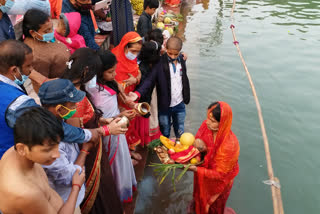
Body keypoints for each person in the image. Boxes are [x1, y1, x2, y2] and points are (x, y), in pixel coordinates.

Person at [0, 40, 101, 159]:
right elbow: (48, 126)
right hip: (9, 156)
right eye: (28, 66)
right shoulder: (17, 102)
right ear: (14, 70)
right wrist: (89, 134)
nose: (31, 70)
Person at [62, 48, 124, 214]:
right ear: (86, 72)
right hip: (86, 151)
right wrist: (106, 129)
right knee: (100, 191)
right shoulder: (75, 97)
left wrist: (102, 121)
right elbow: (77, 134)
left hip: (93, 144)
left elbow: (85, 120)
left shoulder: (72, 87)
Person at [0, 107, 86, 214]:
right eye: (48, 149)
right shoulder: (25, 193)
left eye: (57, 145)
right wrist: (76, 187)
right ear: (22, 149)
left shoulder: (15, 152)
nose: (57, 155)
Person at [86, 50, 137, 204]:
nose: (115, 74)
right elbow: (100, 119)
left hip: (117, 128)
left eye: (114, 70)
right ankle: (118, 193)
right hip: (110, 132)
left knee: (121, 159)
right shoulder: (95, 92)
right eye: (110, 72)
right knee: (114, 162)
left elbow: (115, 108)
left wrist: (122, 112)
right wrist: (121, 117)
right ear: (100, 72)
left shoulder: (109, 85)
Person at [38, 79, 94, 214]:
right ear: (59, 108)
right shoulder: (51, 142)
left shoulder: (58, 120)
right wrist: (85, 151)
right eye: (72, 104)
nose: (75, 107)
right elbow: (70, 177)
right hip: (65, 200)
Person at [129, 36, 190, 140]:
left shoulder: (182, 60)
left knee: (180, 129)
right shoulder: (160, 63)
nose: (172, 56)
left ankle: (179, 148)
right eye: (170, 53)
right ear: (165, 48)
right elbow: (149, 80)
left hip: (179, 103)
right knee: (165, 130)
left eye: (176, 54)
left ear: (180, 52)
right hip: (164, 105)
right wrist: (137, 93)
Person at [190, 102, 240, 214]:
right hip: (203, 170)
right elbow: (198, 142)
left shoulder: (230, 145)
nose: (207, 122)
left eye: (212, 121)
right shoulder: (206, 126)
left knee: (214, 206)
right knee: (199, 196)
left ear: (222, 123)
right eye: (208, 118)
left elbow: (220, 175)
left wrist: (196, 169)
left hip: (220, 181)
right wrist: (194, 156)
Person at [23, 9, 70, 92]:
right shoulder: (36, 55)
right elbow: (41, 85)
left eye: (51, 28)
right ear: (33, 33)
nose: (52, 32)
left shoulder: (42, 38)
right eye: (47, 31)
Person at [112, 31, 143, 154]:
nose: (134, 55)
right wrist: (126, 85)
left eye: (137, 52)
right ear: (125, 46)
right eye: (133, 51)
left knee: (131, 122)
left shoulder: (131, 59)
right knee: (123, 124)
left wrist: (135, 79)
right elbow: (113, 83)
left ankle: (129, 149)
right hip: (119, 99)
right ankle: (125, 154)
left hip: (131, 96)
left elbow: (138, 71)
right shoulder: (115, 59)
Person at [135, 40, 162, 145]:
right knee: (148, 120)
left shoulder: (144, 64)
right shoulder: (144, 69)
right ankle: (147, 141)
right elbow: (146, 87)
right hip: (146, 99)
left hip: (146, 96)